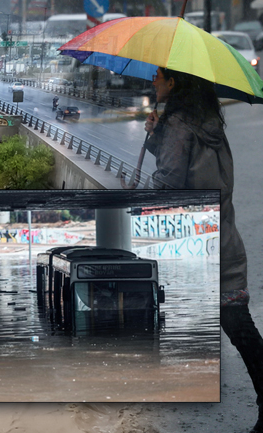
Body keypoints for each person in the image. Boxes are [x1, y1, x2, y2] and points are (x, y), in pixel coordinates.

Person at [145, 66, 263, 433]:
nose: (154, 82)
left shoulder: (179, 125)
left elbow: (169, 184)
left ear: (173, 82)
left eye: (158, 76)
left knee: (233, 325)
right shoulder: (208, 123)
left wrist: (157, 143)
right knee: (236, 324)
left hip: (198, 243)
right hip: (222, 237)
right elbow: (196, 172)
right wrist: (156, 135)